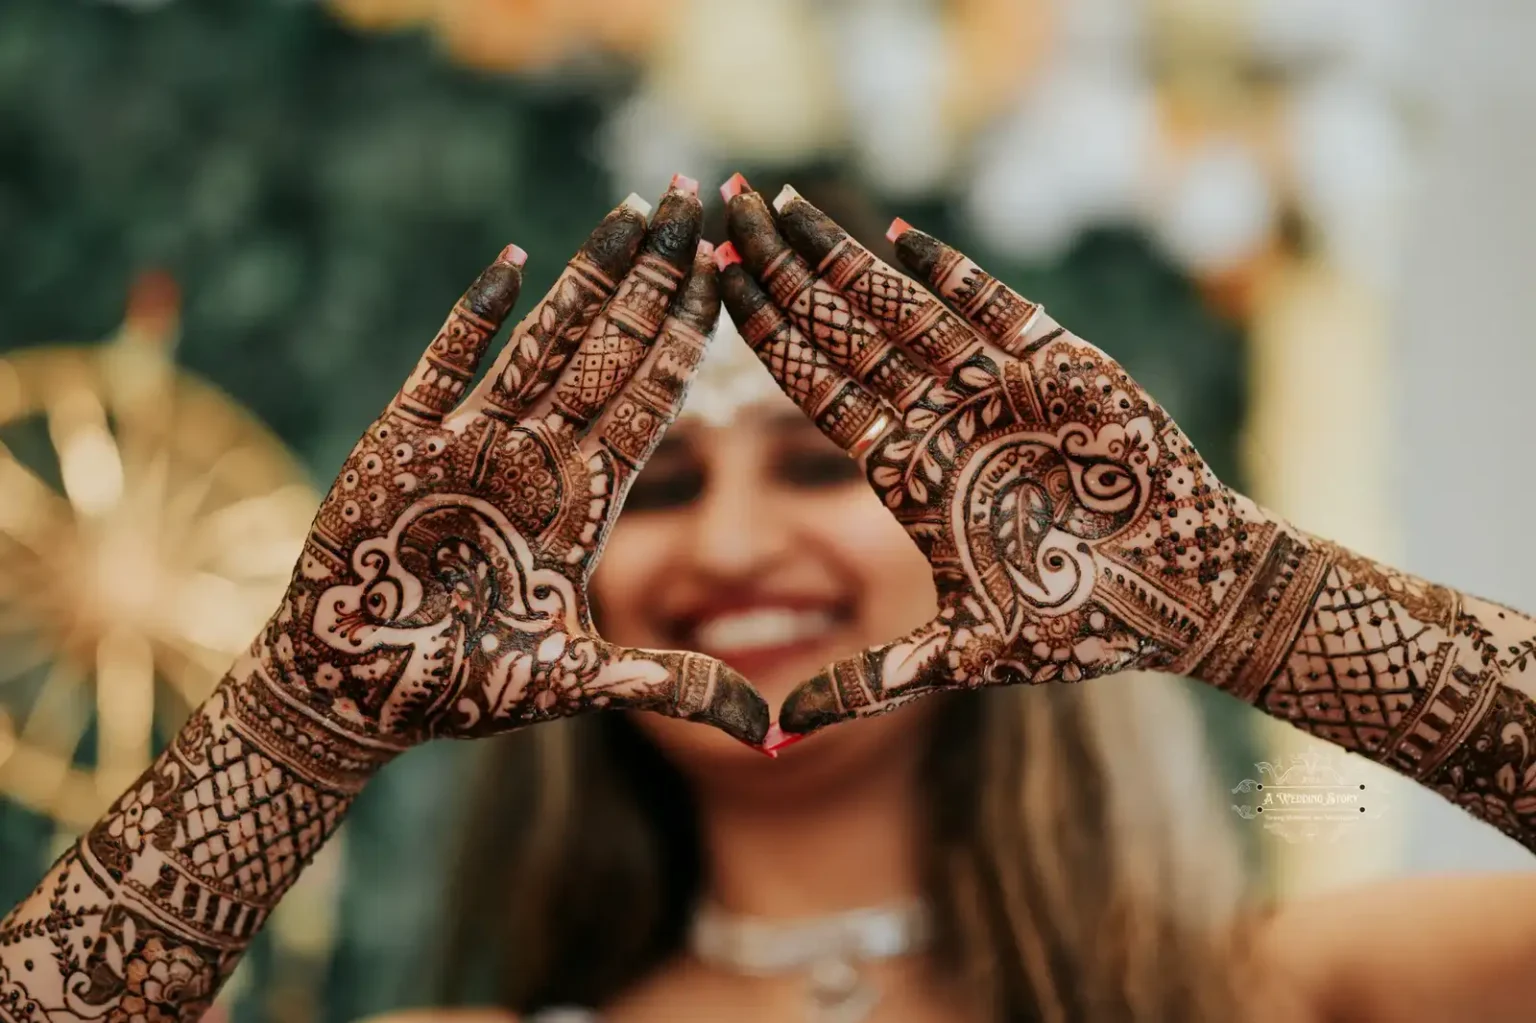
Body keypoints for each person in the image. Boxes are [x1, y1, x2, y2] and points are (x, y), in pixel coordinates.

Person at [1, 173, 1533, 1023]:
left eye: (814, 472)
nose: (730, 543)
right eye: (656, 491)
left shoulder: (1293, 995)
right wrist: (294, 724)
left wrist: (1254, 604)